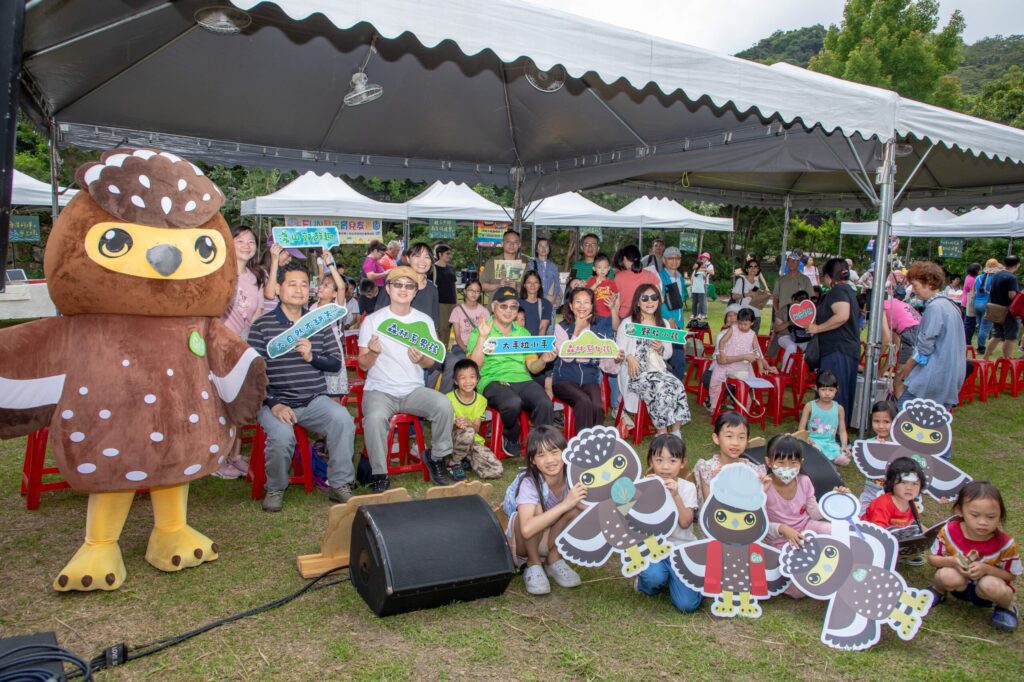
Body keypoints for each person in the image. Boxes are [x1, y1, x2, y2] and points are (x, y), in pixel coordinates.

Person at [248, 263, 357, 512]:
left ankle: (339, 484)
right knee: (282, 436)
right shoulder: (262, 326)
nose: (299, 290)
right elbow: (253, 375)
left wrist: (312, 357)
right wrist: (274, 403)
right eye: (292, 284)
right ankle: (276, 487)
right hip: (275, 402)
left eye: (304, 285)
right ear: (278, 288)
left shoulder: (317, 322)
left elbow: (335, 363)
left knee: (343, 420)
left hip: (313, 400)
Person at [359, 266, 455, 492]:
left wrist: (421, 359)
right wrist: (372, 353)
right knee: (374, 418)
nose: (403, 290)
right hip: (380, 390)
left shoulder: (424, 321)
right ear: (388, 289)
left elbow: (431, 363)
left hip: (413, 390)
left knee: (444, 405)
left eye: (409, 286)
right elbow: (363, 365)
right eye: (397, 284)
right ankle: (380, 474)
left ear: (414, 292)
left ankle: (436, 457)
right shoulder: (373, 321)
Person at [468, 286, 556, 457]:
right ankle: (511, 434)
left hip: (522, 379)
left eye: (513, 307)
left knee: (545, 403)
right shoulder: (481, 330)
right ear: (493, 307)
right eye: (503, 306)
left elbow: (532, 367)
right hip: (492, 380)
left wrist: (543, 360)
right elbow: (474, 367)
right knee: (512, 402)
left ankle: (543, 448)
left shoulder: (523, 333)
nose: (508, 311)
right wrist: (482, 337)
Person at [501, 426, 585, 596]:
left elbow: (593, 510)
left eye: (554, 452)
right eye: (541, 455)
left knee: (578, 508)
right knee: (536, 511)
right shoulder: (529, 482)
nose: (550, 460)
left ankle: (554, 559)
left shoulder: (575, 476)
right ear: (532, 460)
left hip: (552, 537)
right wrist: (565, 504)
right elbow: (526, 529)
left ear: (565, 452)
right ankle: (533, 564)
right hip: (523, 543)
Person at [928, 481, 1020, 631]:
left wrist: (986, 569)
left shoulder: (1005, 544)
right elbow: (932, 559)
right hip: (958, 584)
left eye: (991, 517)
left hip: (987, 590)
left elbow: (1011, 575)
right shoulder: (949, 531)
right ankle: (938, 590)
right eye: (975, 515)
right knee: (945, 575)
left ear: (1000, 515)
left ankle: (1006, 608)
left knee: (991, 585)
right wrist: (953, 561)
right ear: (959, 510)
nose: (983, 522)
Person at [213, 225, 266, 479]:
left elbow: (258, 310)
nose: (246, 245)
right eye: (240, 240)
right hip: (220, 345)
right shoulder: (219, 272)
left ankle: (234, 455)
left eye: (251, 241)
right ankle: (217, 459)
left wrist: (248, 336)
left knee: (238, 400)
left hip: (244, 346)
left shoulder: (256, 277)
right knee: (220, 403)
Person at [633, 434, 702, 613]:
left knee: (687, 605)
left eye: (672, 461)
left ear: (683, 463)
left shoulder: (687, 488)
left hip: (681, 549)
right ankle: (645, 581)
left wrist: (675, 495)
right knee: (653, 578)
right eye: (659, 460)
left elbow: (685, 522)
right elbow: (628, 516)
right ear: (651, 461)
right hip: (654, 548)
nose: (665, 467)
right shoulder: (643, 485)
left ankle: (677, 579)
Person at [615, 284, 691, 437]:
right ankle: (662, 432)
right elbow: (619, 350)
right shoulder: (628, 323)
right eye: (644, 298)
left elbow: (668, 354)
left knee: (677, 385)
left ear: (659, 301)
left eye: (654, 297)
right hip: (635, 373)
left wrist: (660, 348)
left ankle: (676, 431)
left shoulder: (664, 323)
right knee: (661, 387)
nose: (650, 302)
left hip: (658, 370)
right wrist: (629, 357)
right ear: (638, 302)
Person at [895, 261, 967, 410]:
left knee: (904, 416)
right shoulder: (950, 305)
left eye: (915, 285)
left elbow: (924, 348)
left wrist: (905, 370)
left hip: (933, 376)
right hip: (949, 375)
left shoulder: (935, 307)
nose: (914, 290)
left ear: (929, 283)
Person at [552, 288, 619, 432]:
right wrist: (577, 330)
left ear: (592, 306)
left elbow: (607, 366)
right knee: (584, 401)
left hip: (589, 380)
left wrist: (617, 359)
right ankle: (583, 442)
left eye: (586, 302)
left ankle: (596, 441)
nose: (582, 306)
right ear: (571, 306)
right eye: (578, 302)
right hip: (564, 380)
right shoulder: (561, 328)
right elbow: (567, 357)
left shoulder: (598, 330)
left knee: (597, 406)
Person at [806, 258, 860, 418]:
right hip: (844, 349)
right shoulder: (848, 290)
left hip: (837, 350)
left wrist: (818, 328)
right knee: (840, 392)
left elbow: (842, 316)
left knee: (831, 392)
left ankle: (830, 427)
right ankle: (836, 425)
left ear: (828, 276)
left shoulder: (838, 291)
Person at [692, 411, 768, 505]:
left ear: (747, 440)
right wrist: (716, 483)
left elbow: (754, 506)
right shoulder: (707, 469)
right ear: (716, 438)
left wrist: (761, 489)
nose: (735, 443)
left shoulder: (753, 471)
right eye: (729, 436)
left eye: (741, 437)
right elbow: (709, 506)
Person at [708, 308, 776, 412]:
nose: (742, 326)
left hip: (741, 367)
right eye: (740, 323)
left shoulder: (752, 335)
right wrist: (722, 352)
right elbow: (722, 341)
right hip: (726, 365)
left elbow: (757, 353)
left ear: (752, 323)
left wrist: (761, 368)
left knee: (744, 390)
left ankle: (744, 410)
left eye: (745, 324)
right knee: (714, 384)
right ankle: (714, 407)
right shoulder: (733, 329)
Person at [447, 359, 504, 480]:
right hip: (452, 440)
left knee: (496, 470)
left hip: (473, 441)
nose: (468, 381)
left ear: (477, 379)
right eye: (462, 378)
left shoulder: (482, 400)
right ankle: (454, 463)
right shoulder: (448, 399)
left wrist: (469, 423)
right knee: (467, 432)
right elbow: (445, 428)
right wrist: (456, 424)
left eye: (472, 377)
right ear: (456, 381)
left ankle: (467, 459)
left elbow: (477, 428)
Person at [308, 250, 349, 398]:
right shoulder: (312, 307)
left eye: (326, 286)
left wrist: (330, 264)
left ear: (334, 294)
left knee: (333, 394)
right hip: (314, 350)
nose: (321, 287)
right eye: (321, 284)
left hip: (331, 353)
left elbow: (341, 287)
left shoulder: (336, 308)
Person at [441, 279, 489, 393]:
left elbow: (486, 335)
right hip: (461, 347)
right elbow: (457, 336)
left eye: (477, 291)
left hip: (479, 347)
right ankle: (446, 395)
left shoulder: (484, 311)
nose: (474, 293)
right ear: (465, 291)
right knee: (461, 365)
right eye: (471, 290)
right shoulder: (457, 310)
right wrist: (467, 351)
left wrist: (476, 351)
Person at [374, 242, 439, 322]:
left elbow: (434, 321)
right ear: (408, 258)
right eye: (417, 256)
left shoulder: (432, 289)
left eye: (427, 257)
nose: (422, 261)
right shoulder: (395, 284)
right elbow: (378, 315)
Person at [799, 370, 851, 466]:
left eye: (831, 390)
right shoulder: (809, 406)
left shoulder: (839, 408)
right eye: (823, 390)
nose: (827, 393)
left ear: (836, 390)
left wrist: (844, 446)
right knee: (815, 450)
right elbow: (801, 428)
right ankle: (820, 457)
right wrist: (806, 439)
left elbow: (842, 430)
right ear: (816, 388)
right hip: (813, 442)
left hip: (830, 444)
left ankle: (827, 457)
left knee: (845, 459)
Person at [861, 456, 925, 533]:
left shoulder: (912, 506)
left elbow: (915, 525)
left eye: (914, 484)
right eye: (904, 482)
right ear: (892, 482)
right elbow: (877, 531)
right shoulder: (883, 504)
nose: (909, 488)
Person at [770, 250, 813, 356]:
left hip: (800, 316)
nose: (790, 264)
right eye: (788, 261)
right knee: (777, 339)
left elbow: (810, 299)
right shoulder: (781, 280)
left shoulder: (805, 280)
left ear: (798, 263)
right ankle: (771, 359)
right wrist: (777, 312)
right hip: (783, 315)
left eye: (793, 261)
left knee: (806, 343)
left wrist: (806, 315)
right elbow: (775, 298)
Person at [858, 400, 898, 509]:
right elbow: (864, 468)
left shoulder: (900, 446)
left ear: (895, 422)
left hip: (893, 494)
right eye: (876, 421)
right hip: (871, 492)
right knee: (863, 515)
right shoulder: (868, 444)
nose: (881, 426)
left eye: (886, 422)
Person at [657, 246, 689, 380]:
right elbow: (658, 300)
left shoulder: (681, 278)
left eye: (677, 258)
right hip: (666, 323)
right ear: (664, 260)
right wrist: (668, 318)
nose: (674, 261)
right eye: (670, 258)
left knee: (677, 361)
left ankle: (674, 386)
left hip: (678, 324)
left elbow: (680, 302)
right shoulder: (659, 277)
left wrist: (680, 323)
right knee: (672, 360)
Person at [983, 255, 1021, 361]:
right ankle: (1006, 360)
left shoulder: (997, 274)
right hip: (1008, 311)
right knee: (1010, 337)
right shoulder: (1012, 277)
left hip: (995, 309)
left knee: (996, 335)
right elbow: (1011, 295)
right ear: (1017, 265)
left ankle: (985, 358)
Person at [612, 245, 660, 321]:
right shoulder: (650, 275)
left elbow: (616, 304)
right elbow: (660, 298)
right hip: (645, 318)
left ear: (624, 259)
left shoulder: (618, 277)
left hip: (625, 318)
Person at [480, 229, 527, 298]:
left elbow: (530, 290)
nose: (512, 245)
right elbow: (481, 286)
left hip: (516, 303)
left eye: (515, 242)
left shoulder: (524, 265)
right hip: (495, 303)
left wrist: (516, 288)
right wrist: (498, 285)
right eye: (508, 241)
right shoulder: (491, 262)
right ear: (502, 243)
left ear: (519, 245)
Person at [773, 289, 812, 372]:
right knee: (792, 346)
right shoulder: (784, 310)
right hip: (784, 336)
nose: (800, 305)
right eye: (798, 302)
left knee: (812, 346)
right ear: (793, 300)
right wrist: (789, 323)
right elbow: (776, 329)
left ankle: (806, 371)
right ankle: (785, 372)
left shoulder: (808, 310)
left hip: (801, 336)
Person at [881, 294, 922, 368]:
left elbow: (887, 339)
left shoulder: (882, 307)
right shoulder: (895, 305)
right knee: (905, 366)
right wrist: (882, 371)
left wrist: (871, 361)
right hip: (920, 327)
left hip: (911, 330)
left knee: (903, 368)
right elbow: (895, 346)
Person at [585, 253, 620, 337]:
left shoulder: (611, 282)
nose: (602, 270)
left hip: (608, 314)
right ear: (594, 269)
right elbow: (587, 293)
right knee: (595, 336)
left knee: (608, 336)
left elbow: (616, 294)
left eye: (605, 267)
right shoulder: (592, 280)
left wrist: (614, 298)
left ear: (609, 268)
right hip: (595, 315)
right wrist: (596, 284)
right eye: (599, 267)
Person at [731, 258, 769, 334]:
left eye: (755, 267)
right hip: (744, 315)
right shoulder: (741, 281)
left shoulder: (756, 283)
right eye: (750, 266)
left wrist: (762, 295)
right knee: (742, 338)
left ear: (758, 270)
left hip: (756, 316)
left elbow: (754, 298)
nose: (753, 268)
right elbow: (733, 296)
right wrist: (747, 294)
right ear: (747, 269)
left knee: (753, 338)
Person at [973, 258, 1003, 354]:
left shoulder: (978, 277)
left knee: (980, 326)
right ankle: (981, 348)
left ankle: (979, 345)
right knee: (985, 327)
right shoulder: (995, 278)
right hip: (987, 305)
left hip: (976, 304)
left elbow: (974, 290)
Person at [432, 243, 458, 347]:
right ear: (440, 254)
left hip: (452, 302)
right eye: (447, 254)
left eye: (449, 253)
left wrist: (456, 301)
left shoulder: (451, 268)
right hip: (440, 303)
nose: (449, 256)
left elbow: (454, 285)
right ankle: (441, 349)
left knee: (450, 326)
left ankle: (445, 348)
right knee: (442, 328)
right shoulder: (433, 269)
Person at [528, 237, 562, 308]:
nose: (543, 248)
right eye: (540, 246)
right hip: (534, 299)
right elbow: (530, 283)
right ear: (537, 250)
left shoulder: (553, 266)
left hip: (550, 301)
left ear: (549, 249)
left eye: (546, 246)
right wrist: (545, 296)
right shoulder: (531, 265)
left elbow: (557, 284)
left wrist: (554, 297)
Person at [519, 270, 553, 336]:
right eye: (529, 282)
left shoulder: (546, 304)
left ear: (539, 285)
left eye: (536, 282)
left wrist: (538, 342)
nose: (532, 285)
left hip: (537, 340)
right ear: (524, 285)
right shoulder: (516, 303)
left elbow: (543, 327)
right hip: (520, 339)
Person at [963, 262, 982, 347]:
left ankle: (966, 340)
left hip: (965, 301)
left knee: (967, 323)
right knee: (970, 324)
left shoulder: (968, 277)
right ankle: (967, 341)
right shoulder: (973, 280)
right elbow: (973, 291)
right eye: (980, 269)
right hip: (969, 303)